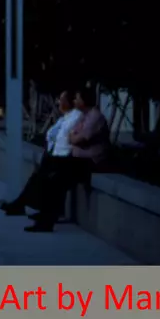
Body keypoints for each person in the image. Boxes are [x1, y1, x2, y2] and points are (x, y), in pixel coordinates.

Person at [27, 88, 109, 233]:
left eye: (77, 98)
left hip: (90, 163)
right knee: (51, 176)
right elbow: (70, 136)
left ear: (84, 101)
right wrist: (73, 137)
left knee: (56, 178)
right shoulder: (85, 116)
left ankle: (47, 220)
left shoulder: (95, 117)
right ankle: (46, 216)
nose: (74, 101)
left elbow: (78, 138)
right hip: (77, 160)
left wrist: (74, 137)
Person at [1, 91, 79, 217]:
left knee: (41, 178)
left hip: (63, 158)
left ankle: (23, 206)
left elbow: (64, 138)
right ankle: (21, 205)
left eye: (62, 100)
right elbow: (51, 135)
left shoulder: (75, 117)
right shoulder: (63, 118)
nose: (59, 103)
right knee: (36, 176)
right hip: (52, 155)